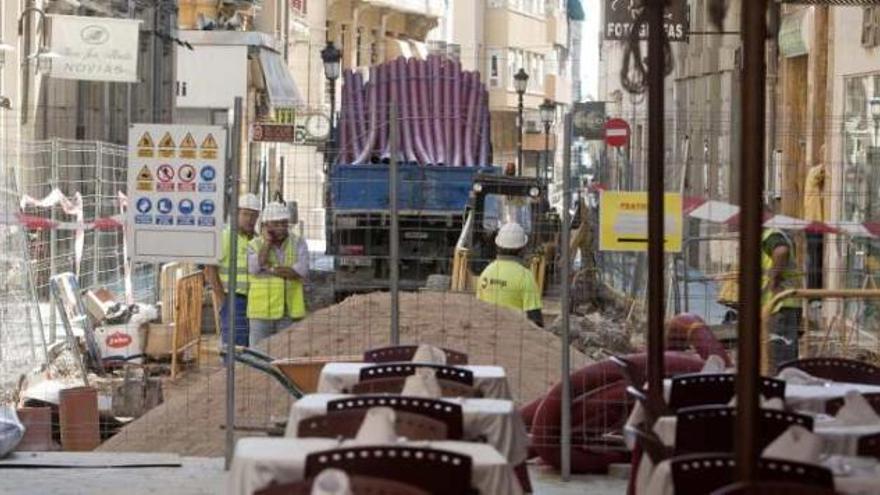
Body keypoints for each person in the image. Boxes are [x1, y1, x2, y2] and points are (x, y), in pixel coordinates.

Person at [246, 202, 308, 345]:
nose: (281, 228)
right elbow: (255, 268)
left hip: (289, 312)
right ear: (266, 225)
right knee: (258, 355)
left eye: (284, 223)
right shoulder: (254, 244)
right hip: (261, 313)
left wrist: (271, 269)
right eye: (276, 224)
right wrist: (267, 243)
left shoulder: (298, 242)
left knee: (286, 355)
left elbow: (301, 271)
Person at [205, 193, 261, 348]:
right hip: (234, 299)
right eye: (246, 214)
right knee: (234, 346)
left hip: (255, 299)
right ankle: (230, 371)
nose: (249, 219)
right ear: (237, 214)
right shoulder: (226, 236)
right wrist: (222, 299)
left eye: (253, 215)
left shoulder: (257, 240)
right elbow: (210, 269)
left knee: (249, 345)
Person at [476, 222, 543, 327]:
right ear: (522, 249)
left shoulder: (486, 273)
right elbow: (536, 321)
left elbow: (478, 310)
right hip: (515, 336)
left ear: (498, 245)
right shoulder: (526, 277)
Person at [762, 226, 802, 368]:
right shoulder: (768, 236)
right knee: (778, 358)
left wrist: (774, 280)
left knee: (780, 361)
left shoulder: (768, 235)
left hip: (780, 306)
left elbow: (781, 251)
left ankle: (781, 388)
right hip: (779, 306)